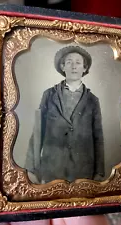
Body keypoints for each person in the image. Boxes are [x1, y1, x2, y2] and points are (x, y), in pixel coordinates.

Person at [25, 46, 104, 184]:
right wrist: (31, 168)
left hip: (83, 171)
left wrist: (99, 171)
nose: (74, 67)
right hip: (53, 168)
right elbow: (38, 132)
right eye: (69, 62)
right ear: (63, 67)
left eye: (78, 63)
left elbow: (98, 137)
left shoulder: (93, 101)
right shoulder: (49, 95)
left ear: (84, 68)